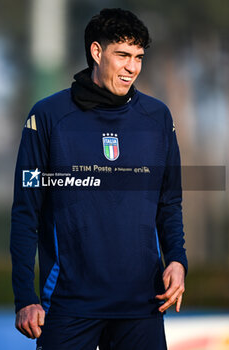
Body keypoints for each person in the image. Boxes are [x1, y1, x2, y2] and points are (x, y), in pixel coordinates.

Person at [10, 8, 187, 350]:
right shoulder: (47, 117)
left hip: (142, 306)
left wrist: (177, 259)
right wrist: (24, 297)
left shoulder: (158, 118)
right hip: (68, 306)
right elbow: (25, 213)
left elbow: (169, 202)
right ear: (96, 52)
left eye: (138, 57)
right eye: (122, 55)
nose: (132, 67)